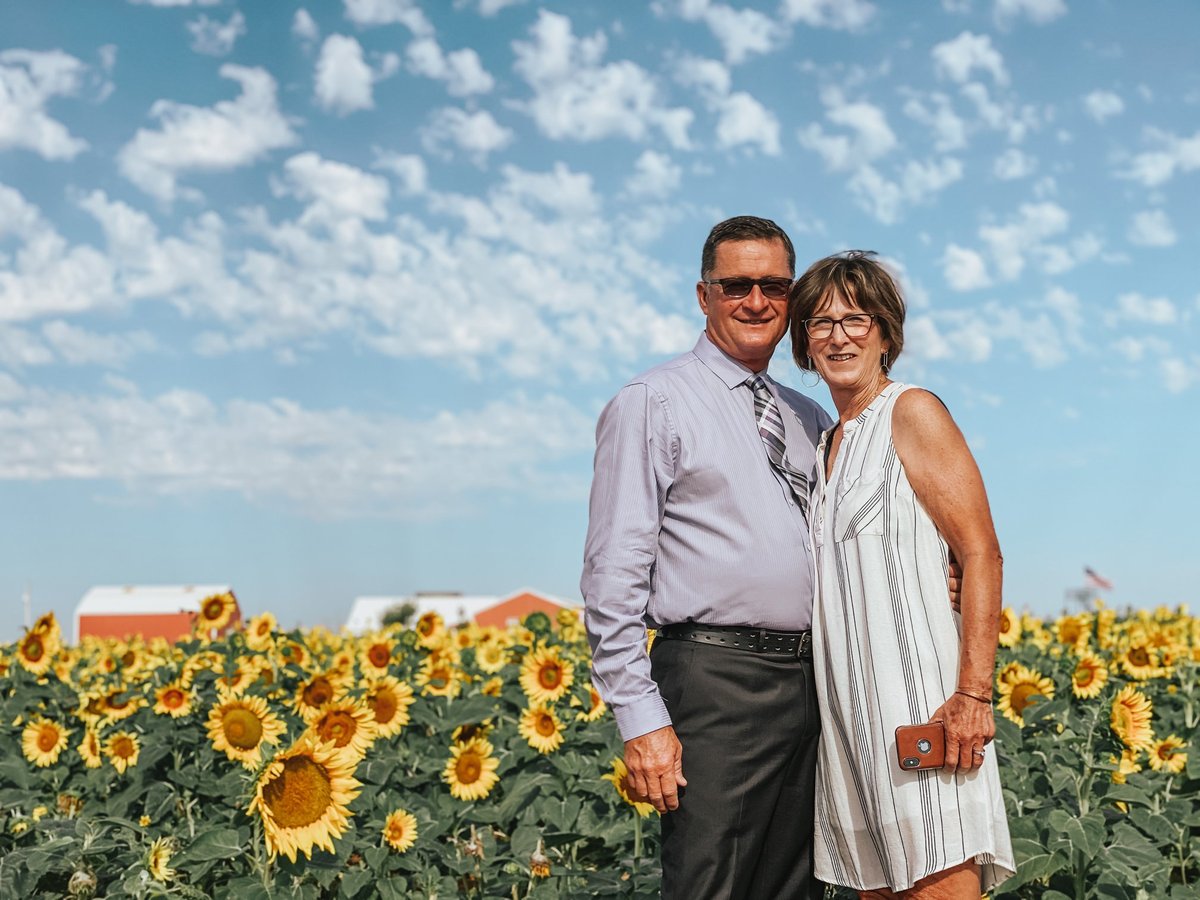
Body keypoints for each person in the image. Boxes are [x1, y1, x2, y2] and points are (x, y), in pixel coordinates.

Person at [581, 216, 831, 899]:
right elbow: (612, 574)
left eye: (774, 286)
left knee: (795, 888)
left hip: (814, 684)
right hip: (715, 683)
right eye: (736, 285)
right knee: (709, 885)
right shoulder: (652, 403)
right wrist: (642, 720)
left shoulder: (810, 418)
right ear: (704, 296)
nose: (756, 301)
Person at [787, 251, 1015, 898]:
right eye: (821, 322)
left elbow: (981, 553)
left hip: (924, 712)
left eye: (856, 319)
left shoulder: (910, 412)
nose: (839, 336)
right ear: (804, 342)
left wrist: (974, 696)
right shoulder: (824, 445)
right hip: (850, 732)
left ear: (886, 333)